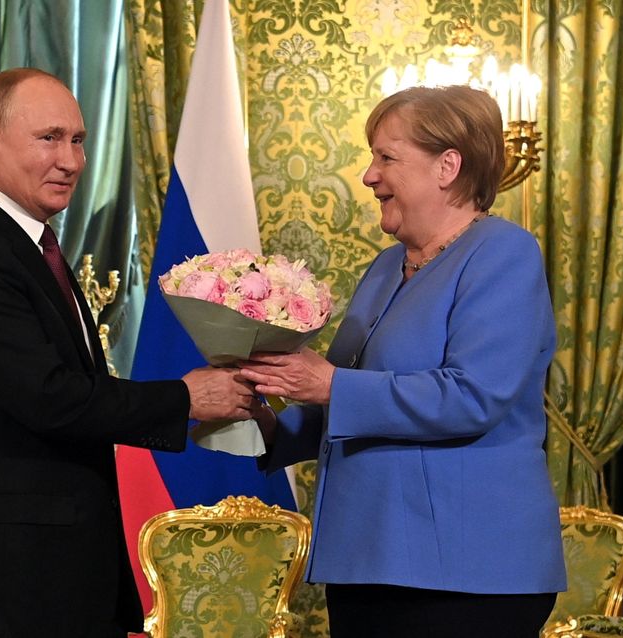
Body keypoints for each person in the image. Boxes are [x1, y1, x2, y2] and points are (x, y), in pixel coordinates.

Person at [0, 67, 258, 638]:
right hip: (1, 580)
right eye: (50, 138)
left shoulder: (30, 246)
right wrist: (185, 398)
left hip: (50, 572)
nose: (71, 160)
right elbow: (49, 398)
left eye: (78, 140)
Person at [240, 85, 567, 637]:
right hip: (370, 558)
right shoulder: (387, 267)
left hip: (468, 571)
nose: (369, 175)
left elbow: (473, 396)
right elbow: (349, 397)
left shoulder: (504, 253)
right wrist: (267, 416)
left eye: (386, 157)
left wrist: (330, 386)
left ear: (448, 166)